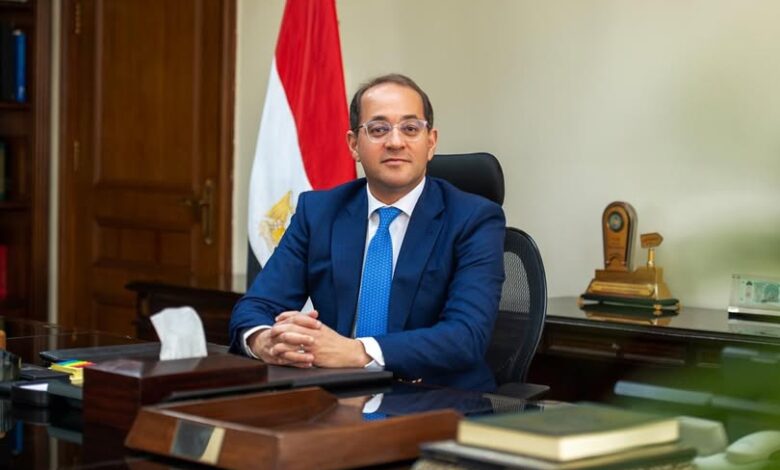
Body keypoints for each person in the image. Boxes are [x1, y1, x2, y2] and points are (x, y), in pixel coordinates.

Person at [230, 73, 505, 392]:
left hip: (437, 396)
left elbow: (466, 336)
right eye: (378, 129)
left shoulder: (474, 219)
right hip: (338, 393)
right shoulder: (318, 212)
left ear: (430, 142)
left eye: (410, 128)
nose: (395, 142)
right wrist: (265, 341)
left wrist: (357, 352)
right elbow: (255, 307)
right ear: (354, 145)